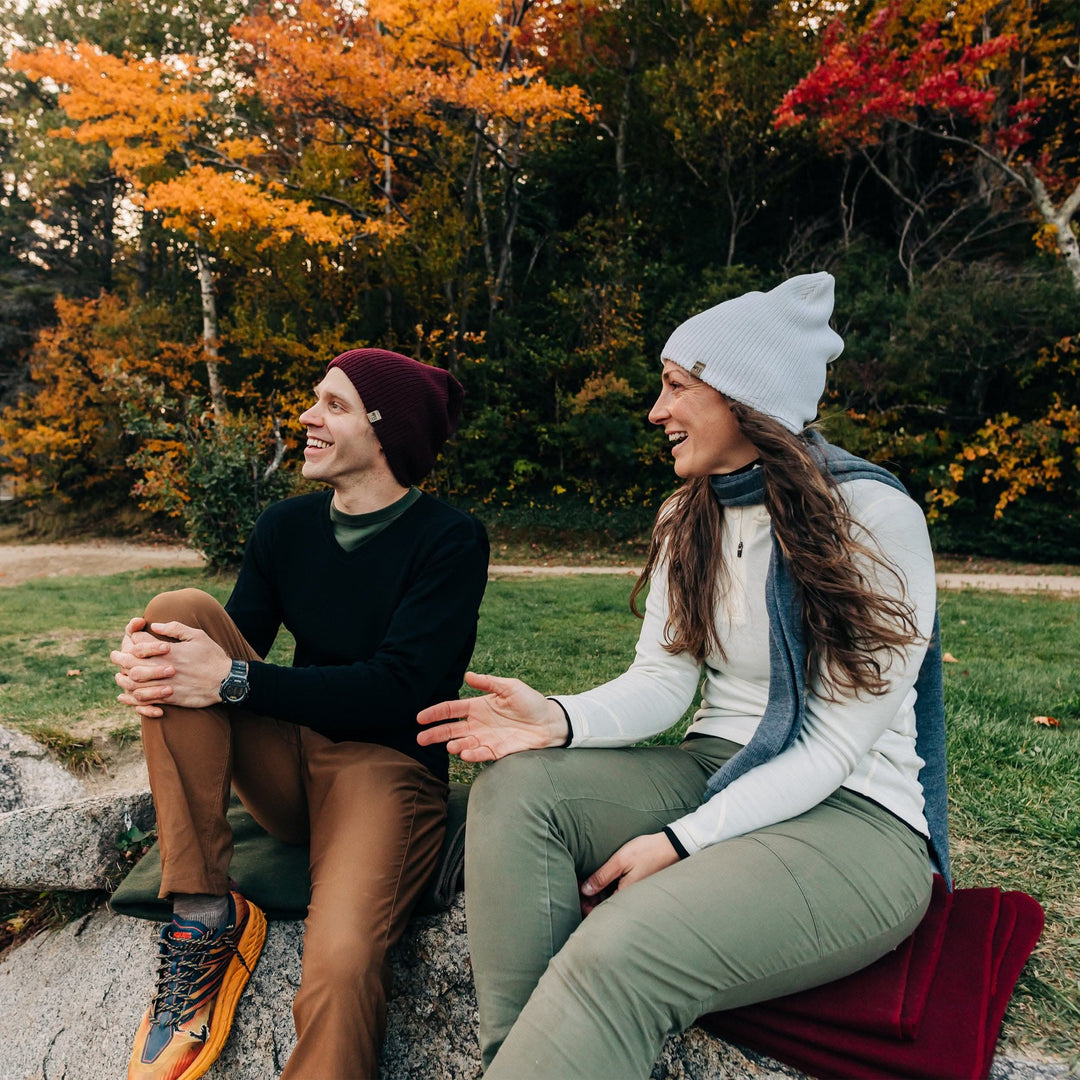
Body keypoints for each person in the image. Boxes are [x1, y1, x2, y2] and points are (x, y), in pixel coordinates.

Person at [417, 273, 949, 1080]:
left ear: (744, 396)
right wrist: (557, 719)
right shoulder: (688, 513)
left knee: (622, 946)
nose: (655, 410)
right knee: (518, 789)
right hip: (715, 761)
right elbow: (663, 681)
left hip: (857, 815)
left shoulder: (873, 518)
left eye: (675, 386)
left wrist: (681, 842)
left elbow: (835, 746)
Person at [111, 348, 489, 1080]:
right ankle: (203, 914)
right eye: (316, 400)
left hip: (384, 769)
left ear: (386, 431)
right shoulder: (285, 526)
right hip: (287, 763)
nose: (308, 418)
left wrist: (232, 682)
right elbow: (229, 646)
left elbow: (399, 688)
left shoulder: (449, 539)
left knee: (343, 961)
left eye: (333, 405)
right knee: (175, 617)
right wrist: (152, 666)